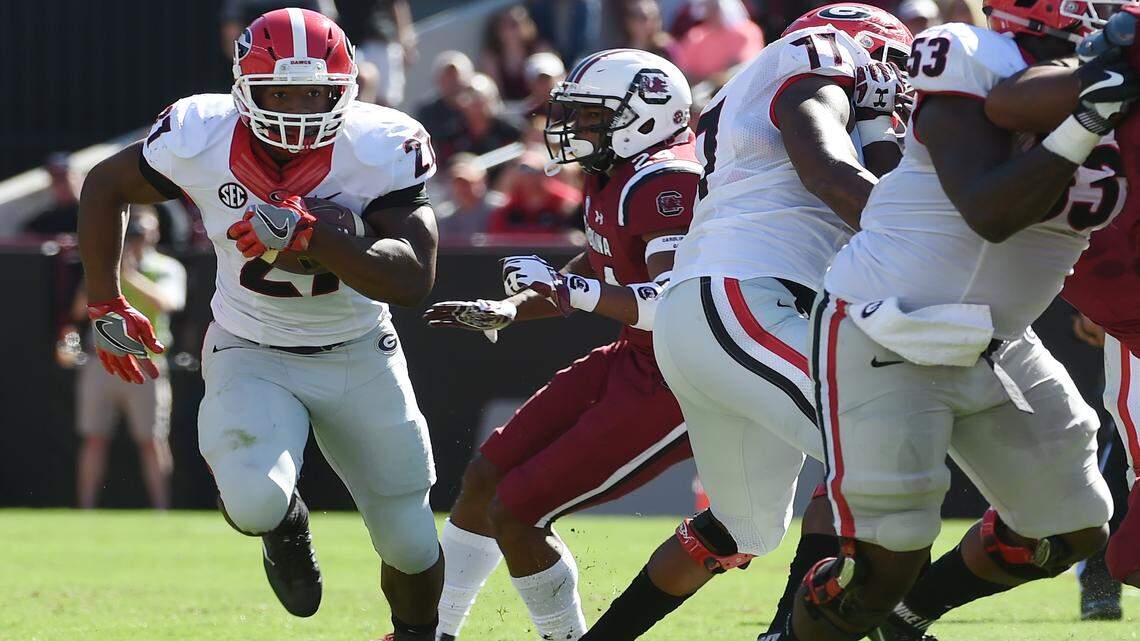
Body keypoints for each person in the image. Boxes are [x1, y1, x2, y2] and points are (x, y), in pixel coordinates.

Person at [77, 9, 443, 640]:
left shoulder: (381, 145)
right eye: (281, 93)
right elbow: (105, 185)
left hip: (358, 349)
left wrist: (315, 237)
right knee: (253, 500)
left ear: (346, 89)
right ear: (244, 88)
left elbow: (412, 280)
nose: (298, 111)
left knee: (409, 540)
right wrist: (105, 300)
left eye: (314, 94)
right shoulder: (201, 133)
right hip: (251, 346)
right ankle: (285, 527)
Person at [789, 0, 1136, 637]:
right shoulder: (970, 51)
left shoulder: (1114, 84)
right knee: (884, 564)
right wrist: (1087, 117)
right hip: (889, 325)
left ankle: (906, 617)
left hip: (999, 342)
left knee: (1071, 527)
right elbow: (988, 211)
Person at [583, 5, 914, 640]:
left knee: (742, 527)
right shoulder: (814, 57)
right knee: (880, 449)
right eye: (893, 64)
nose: (901, 82)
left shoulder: (757, 89)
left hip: (711, 313)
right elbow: (835, 177)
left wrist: (876, 125)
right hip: (744, 298)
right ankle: (819, 631)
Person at [422, 49, 701, 641]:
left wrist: (567, 288)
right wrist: (511, 308)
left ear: (647, 115)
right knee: (485, 475)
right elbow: (596, 263)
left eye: (593, 115)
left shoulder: (668, 180)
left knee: (517, 512)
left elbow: (672, 306)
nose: (576, 127)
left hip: (680, 376)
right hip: (632, 357)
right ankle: (432, 633)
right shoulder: (617, 173)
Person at [64, 208, 185, 510]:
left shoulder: (166, 267)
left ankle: (162, 511)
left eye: (143, 232)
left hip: (146, 364)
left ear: (156, 233)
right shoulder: (105, 266)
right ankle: (86, 510)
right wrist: (107, 273)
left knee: (152, 440)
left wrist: (128, 275)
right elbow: (79, 309)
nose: (137, 239)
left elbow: (169, 302)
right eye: (132, 232)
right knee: (94, 437)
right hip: (103, 361)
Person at [336, 0, 417, 107]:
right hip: (350, 43)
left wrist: (406, 41)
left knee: (385, 102)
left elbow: (397, 4)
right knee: (354, 96)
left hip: (379, 40)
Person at [484, 149, 581, 237]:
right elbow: (496, 236)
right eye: (524, 171)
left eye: (536, 171)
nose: (530, 177)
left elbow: (575, 231)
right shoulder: (508, 204)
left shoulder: (564, 201)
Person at [671, 0, 765, 83]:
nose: (711, 12)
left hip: (740, 83)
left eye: (715, 7)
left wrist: (723, 76)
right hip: (706, 91)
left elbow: (748, 64)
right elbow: (685, 71)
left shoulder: (747, 31)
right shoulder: (695, 36)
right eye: (708, 7)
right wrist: (709, 79)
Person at [437, 74, 523, 164]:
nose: (473, 102)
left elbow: (521, 156)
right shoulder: (452, 134)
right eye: (468, 96)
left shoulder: (511, 131)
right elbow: (446, 165)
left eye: (478, 97)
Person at [480, 5, 552, 102]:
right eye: (504, 26)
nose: (509, 30)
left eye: (514, 24)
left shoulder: (540, 49)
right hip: (508, 108)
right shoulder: (491, 59)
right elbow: (495, 95)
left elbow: (550, 86)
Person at [435, 154, 504, 242]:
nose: (462, 189)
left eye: (468, 183)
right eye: (458, 184)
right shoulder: (444, 216)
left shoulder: (501, 209)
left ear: (482, 181)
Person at [416, 51, 475, 146]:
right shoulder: (427, 112)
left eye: (456, 76)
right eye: (447, 76)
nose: (452, 82)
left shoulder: (477, 107)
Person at [24, 153, 81, 235]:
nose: (61, 185)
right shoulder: (46, 221)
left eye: (63, 177)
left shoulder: (93, 208)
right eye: (56, 179)